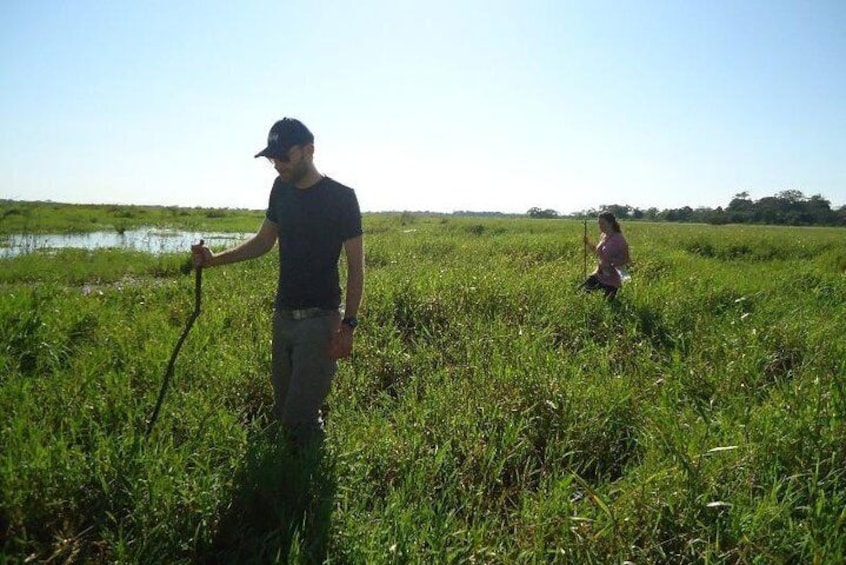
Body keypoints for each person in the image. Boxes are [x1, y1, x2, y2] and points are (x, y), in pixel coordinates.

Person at [192, 117, 364, 445]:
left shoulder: (341, 198)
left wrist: (349, 325)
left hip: (319, 322)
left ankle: (306, 485)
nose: (277, 166)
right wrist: (214, 261)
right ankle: (296, 471)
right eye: (272, 159)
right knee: (284, 409)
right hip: (282, 318)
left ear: (308, 151)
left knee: (297, 421)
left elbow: (356, 268)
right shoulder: (280, 190)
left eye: (283, 157)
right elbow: (263, 241)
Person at [582, 211, 630, 300]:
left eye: (602, 223)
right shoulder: (603, 236)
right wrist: (588, 243)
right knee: (581, 294)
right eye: (599, 223)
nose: (600, 226)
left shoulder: (619, 239)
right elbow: (598, 252)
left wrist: (611, 264)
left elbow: (626, 259)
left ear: (611, 223)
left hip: (612, 280)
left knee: (608, 305)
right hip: (599, 274)